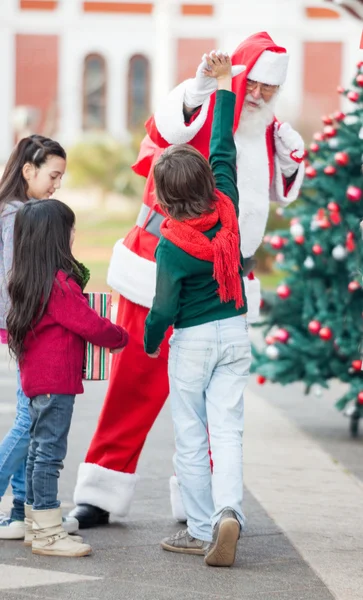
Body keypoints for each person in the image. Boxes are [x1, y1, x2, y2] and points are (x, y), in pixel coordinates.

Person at [70, 31, 305, 528]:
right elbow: (159, 137)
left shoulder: (266, 129)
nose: (260, 95)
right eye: (255, 83)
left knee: (213, 404)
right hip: (157, 266)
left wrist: (290, 163)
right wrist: (199, 90)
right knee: (135, 381)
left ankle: (203, 505)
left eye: (270, 88)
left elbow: (275, 198)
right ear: (237, 75)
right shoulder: (197, 103)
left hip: (222, 284)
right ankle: (102, 488)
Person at [144, 53, 250, 567]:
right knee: (227, 430)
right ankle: (230, 511)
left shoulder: (171, 246)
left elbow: (163, 308)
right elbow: (224, 143)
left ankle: (204, 526)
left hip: (192, 342)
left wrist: (147, 339)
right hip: (235, 333)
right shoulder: (225, 200)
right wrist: (225, 86)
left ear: (164, 196)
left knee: (191, 433)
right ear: (208, 179)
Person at [6, 199, 129, 557]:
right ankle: (47, 533)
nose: (73, 233)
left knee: (37, 453)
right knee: (49, 455)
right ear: (55, 237)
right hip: (55, 383)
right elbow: (89, 324)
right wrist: (120, 336)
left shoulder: (27, 280)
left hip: (37, 382)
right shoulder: (59, 285)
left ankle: (34, 523)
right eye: (69, 228)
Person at [0, 135, 80, 541]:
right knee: (29, 422)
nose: (56, 185)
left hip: (19, 324)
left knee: (28, 420)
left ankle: (20, 510)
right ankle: (23, 507)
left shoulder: (15, 209)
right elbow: (25, 279)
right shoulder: (20, 215)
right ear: (28, 169)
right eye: (53, 175)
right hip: (25, 326)